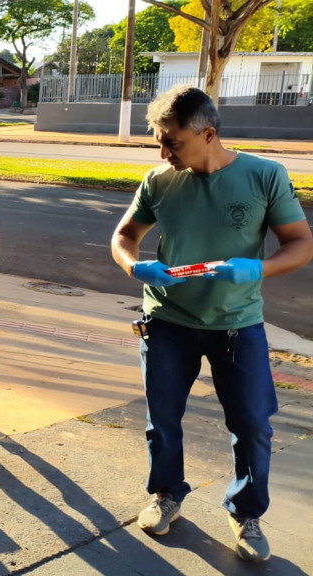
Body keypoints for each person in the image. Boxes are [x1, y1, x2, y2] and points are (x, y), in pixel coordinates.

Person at [110, 85, 313, 562]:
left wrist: (259, 268)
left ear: (208, 134)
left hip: (237, 324)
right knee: (162, 420)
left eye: (173, 143)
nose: (164, 153)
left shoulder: (264, 175)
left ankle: (246, 512)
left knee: (252, 424)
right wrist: (134, 266)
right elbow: (124, 235)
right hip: (166, 322)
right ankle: (166, 494)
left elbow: (301, 244)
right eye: (160, 142)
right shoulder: (159, 180)